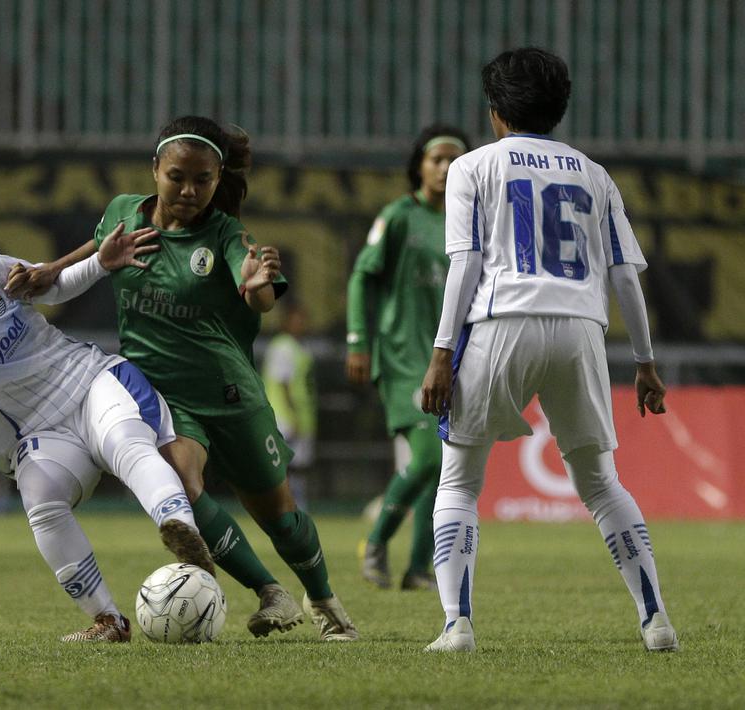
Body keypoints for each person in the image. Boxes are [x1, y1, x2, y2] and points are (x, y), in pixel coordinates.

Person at [9, 116, 358, 641]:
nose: (189, 190)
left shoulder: (226, 235)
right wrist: (50, 270)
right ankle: (269, 591)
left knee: (281, 519)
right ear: (155, 169)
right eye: (177, 177)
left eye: (202, 180)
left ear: (218, 180)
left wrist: (258, 286)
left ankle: (324, 600)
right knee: (182, 488)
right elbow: (98, 247)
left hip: (230, 394)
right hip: (164, 395)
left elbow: (260, 295)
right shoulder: (124, 213)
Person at [419, 47, 677, 652]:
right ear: (560, 107)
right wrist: (644, 362)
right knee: (602, 484)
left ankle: (457, 625)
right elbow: (624, 277)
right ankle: (657, 620)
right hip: (581, 328)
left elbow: (466, 264)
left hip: (502, 321)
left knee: (459, 481)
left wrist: (441, 352)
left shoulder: (473, 167)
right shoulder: (594, 173)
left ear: (495, 111)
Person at [0, 221, 215, 643]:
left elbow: (50, 286)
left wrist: (100, 263)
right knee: (41, 500)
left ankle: (182, 533)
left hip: (87, 381)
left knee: (127, 443)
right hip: (39, 431)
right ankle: (108, 620)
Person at [346, 125, 471, 591]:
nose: (445, 168)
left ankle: (419, 569)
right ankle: (376, 541)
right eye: (437, 159)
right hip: (402, 358)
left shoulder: (467, 222)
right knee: (428, 460)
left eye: (454, 160)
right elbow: (362, 277)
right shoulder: (398, 216)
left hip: (449, 361)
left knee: (443, 468)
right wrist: (358, 340)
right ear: (419, 166)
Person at [262, 300, 316, 508]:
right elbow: (282, 383)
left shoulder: (300, 347)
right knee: (286, 465)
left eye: (303, 319)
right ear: (287, 321)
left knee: (300, 465)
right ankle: (284, 506)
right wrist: (292, 415)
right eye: (296, 319)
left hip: (301, 415)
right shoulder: (283, 346)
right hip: (285, 416)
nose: (301, 323)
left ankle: (297, 505)